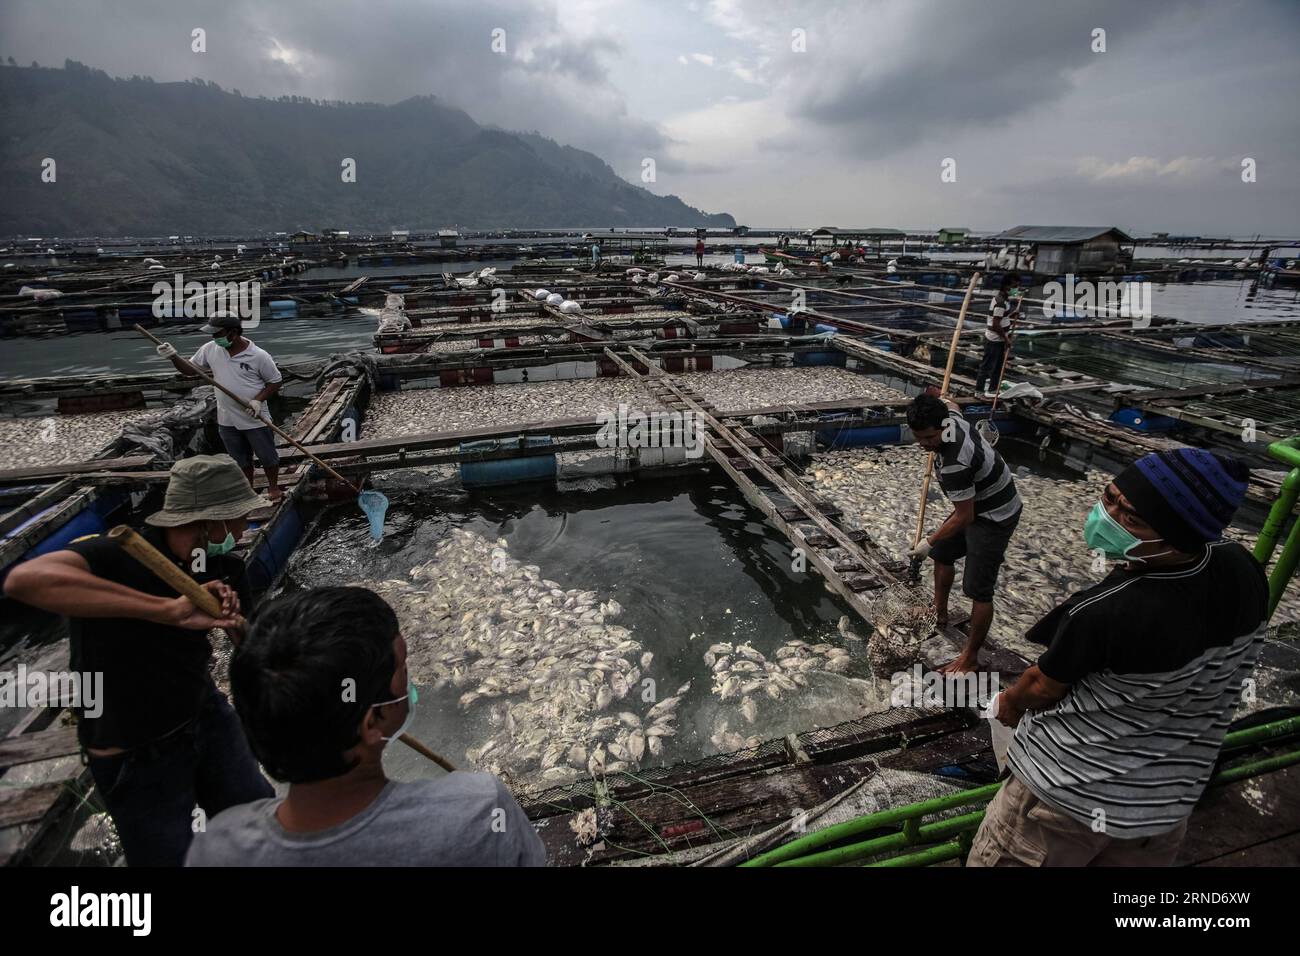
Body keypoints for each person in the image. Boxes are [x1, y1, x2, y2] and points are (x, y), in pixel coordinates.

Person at [968, 449, 1267, 866]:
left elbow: (1040, 687)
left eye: (1133, 519)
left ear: (1181, 535)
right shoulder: (1244, 570)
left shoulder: (1107, 609)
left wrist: (1006, 704)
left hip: (1062, 807)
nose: (1108, 517)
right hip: (1165, 807)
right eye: (1109, 499)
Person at [3, 455, 274, 866]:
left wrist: (238, 629)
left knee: (256, 820)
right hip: (134, 746)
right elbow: (24, 581)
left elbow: (250, 649)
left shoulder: (224, 566)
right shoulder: (117, 554)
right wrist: (164, 610)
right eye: (237, 518)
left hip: (202, 715)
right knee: (166, 856)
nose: (242, 528)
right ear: (209, 521)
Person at [186, 586, 547, 866]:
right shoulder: (479, 809)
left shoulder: (216, 847)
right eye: (402, 669)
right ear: (371, 721)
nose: (408, 681)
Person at [906, 393, 1022, 673]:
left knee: (978, 589)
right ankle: (939, 611)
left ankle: (970, 657)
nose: (924, 446)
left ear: (943, 427)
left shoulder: (955, 460)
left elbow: (964, 516)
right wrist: (939, 395)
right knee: (942, 554)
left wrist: (927, 541)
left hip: (994, 515)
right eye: (919, 438)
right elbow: (952, 404)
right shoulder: (951, 417)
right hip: (976, 502)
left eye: (929, 439)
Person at [158, 312, 283, 501]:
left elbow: (275, 381)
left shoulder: (258, 356)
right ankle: (248, 491)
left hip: (254, 415)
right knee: (240, 459)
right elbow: (191, 370)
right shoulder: (210, 349)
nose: (214, 338)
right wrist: (173, 357)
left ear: (233, 333)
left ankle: (273, 488)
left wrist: (258, 400)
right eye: (213, 334)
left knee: (267, 456)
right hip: (226, 417)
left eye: (218, 334)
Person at [975, 274, 1018, 397]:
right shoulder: (1000, 302)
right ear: (1007, 286)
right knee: (987, 365)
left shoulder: (1005, 301)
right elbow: (995, 324)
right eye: (1014, 286)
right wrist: (1006, 339)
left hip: (999, 339)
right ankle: (979, 390)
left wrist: (1011, 315)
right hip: (994, 339)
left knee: (998, 366)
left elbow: (1001, 317)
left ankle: (993, 389)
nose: (1016, 289)